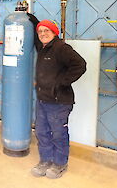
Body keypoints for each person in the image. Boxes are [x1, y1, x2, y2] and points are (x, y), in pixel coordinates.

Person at [27, 13, 86, 179]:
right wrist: (32, 19)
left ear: (54, 33)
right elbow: (39, 35)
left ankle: (60, 163)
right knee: (42, 132)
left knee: (58, 133)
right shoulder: (43, 47)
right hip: (43, 100)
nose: (43, 33)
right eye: (40, 31)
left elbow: (80, 65)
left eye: (47, 31)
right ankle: (45, 160)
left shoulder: (61, 48)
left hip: (59, 102)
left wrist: (61, 82)